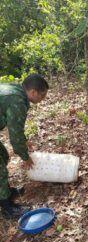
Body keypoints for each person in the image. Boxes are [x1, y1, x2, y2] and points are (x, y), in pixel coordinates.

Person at [0, 74, 49, 219]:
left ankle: (6, 192)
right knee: (0, 169)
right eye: (42, 95)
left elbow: (15, 128)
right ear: (33, 92)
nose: (43, 99)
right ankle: (7, 207)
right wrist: (25, 156)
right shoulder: (18, 101)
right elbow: (15, 138)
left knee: (3, 156)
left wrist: (24, 140)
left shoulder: (15, 90)